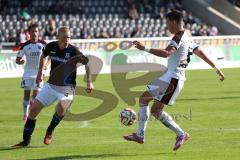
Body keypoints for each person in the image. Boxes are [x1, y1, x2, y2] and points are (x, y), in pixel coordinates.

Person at [123, 10, 225, 151]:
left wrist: (144, 48)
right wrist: (216, 68)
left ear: (174, 22)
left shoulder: (178, 37)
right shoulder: (187, 36)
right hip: (168, 77)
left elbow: (166, 53)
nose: (167, 26)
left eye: (167, 23)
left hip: (173, 79)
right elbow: (199, 52)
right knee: (144, 99)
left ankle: (181, 134)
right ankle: (140, 135)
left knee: (156, 111)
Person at [13, 26, 93, 147]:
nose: (67, 40)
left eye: (69, 37)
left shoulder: (73, 50)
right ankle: (25, 141)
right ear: (58, 37)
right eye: (65, 37)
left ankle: (50, 130)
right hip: (50, 86)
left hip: (67, 88)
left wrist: (89, 81)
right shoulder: (51, 46)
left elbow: (87, 63)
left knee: (61, 108)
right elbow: (43, 56)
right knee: (33, 109)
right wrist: (40, 72)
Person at [16, 24, 48, 121]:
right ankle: (25, 114)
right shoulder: (24, 45)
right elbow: (17, 59)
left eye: (36, 31)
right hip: (27, 74)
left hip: (39, 73)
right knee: (26, 95)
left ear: (38, 32)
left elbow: (50, 56)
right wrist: (20, 61)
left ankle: (31, 109)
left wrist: (47, 64)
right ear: (29, 33)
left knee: (36, 94)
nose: (34, 33)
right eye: (32, 31)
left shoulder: (43, 44)